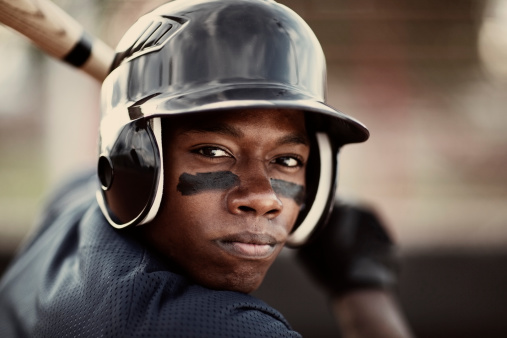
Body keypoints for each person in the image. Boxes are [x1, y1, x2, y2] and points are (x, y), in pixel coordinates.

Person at [0, 0, 412, 336]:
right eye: (214, 152)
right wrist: (364, 291)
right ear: (130, 166)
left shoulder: (70, 204)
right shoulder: (209, 326)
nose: (265, 198)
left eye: (287, 160)